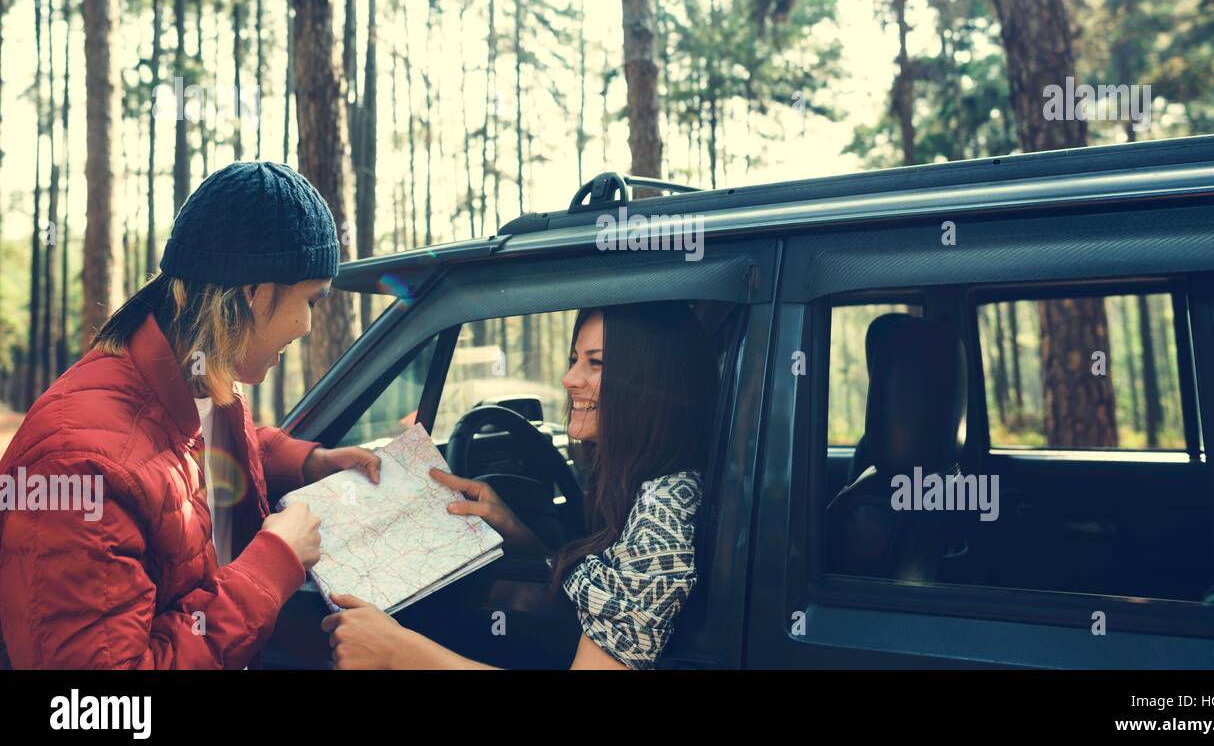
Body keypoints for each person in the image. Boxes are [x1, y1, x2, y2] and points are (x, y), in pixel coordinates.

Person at [0, 161, 379, 669]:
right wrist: (272, 567)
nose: (308, 325)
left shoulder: (196, 374)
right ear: (252, 292)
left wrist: (309, 463)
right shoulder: (80, 466)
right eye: (309, 299)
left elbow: (192, 452)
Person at [322, 301, 719, 669]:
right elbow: (601, 596)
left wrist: (397, 650)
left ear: (651, 384)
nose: (569, 379)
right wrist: (518, 537)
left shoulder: (662, 516)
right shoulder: (643, 485)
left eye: (596, 363)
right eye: (574, 359)